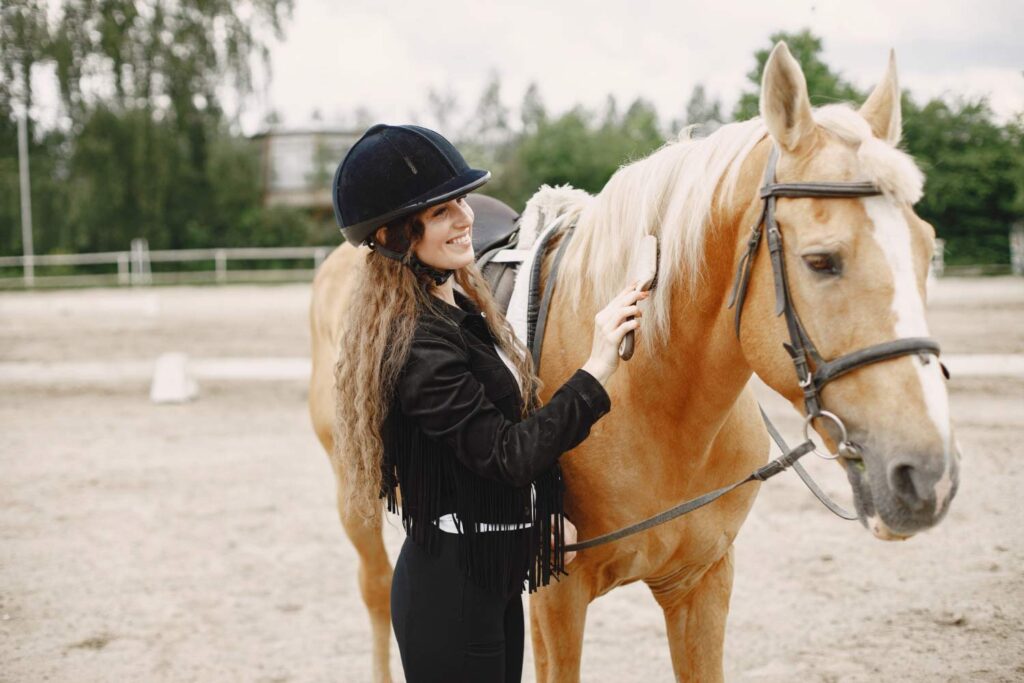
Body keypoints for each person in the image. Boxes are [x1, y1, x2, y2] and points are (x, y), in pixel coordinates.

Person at [330, 123, 648, 682]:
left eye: (461, 201)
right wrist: (598, 365)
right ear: (395, 237)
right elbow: (507, 454)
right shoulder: (418, 347)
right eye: (440, 211)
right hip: (450, 593)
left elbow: (492, 446)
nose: (465, 217)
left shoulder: (461, 315)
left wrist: (536, 524)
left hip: (490, 574)